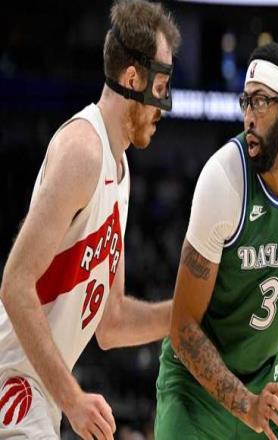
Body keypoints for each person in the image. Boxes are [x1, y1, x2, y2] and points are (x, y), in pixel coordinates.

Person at [155, 42, 278, 440]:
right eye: (245, 102)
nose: (249, 116)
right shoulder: (223, 178)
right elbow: (182, 327)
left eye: (261, 103)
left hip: (266, 385)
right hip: (194, 389)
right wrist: (244, 404)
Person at [0, 1, 180, 438]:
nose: (164, 105)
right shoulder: (83, 150)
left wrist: (187, 314)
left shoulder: (121, 170)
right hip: (12, 380)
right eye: (160, 87)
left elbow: (111, 322)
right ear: (132, 79)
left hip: (40, 391)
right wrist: (72, 399)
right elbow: (15, 285)